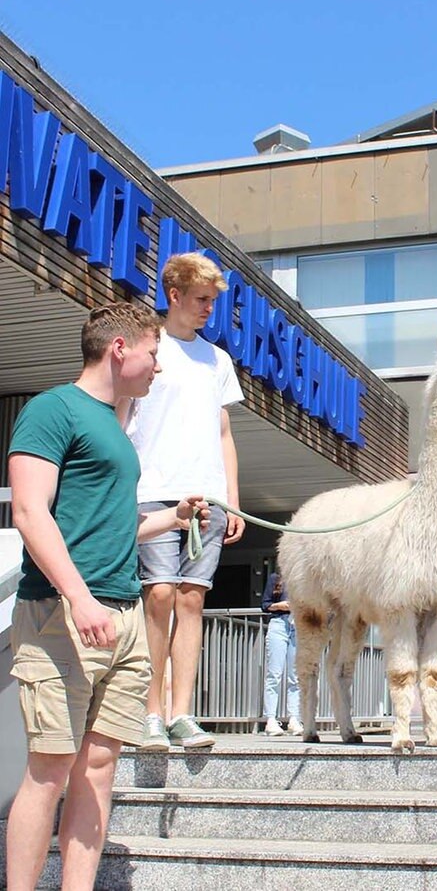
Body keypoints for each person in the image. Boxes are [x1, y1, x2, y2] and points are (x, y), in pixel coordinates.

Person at [5, 303, 210, 891]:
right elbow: (28, 511)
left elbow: (113, 525)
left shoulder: (117, 429)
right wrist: (79, 598)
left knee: (99, 769)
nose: (158, 369)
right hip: (61, 616)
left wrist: (172, 516)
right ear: (120, 348)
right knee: (49, 769)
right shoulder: (52, 410)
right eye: (153, 353)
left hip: (122, 617)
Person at [124, 252, 246, 751]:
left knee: (192, 599)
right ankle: (149, 712)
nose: (207, 310)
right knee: (158, 596)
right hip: (153, 490)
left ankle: (181, 713)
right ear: (173, 295)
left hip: (208, 496)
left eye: (213, 302)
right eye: (201, 300)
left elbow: (223, 430)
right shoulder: (147, 350)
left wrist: (232, 498)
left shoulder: (217, 360)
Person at [261, 572, 302, 736]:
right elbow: (265, 605)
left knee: (296, 676)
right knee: (274, 674)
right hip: (279, 623)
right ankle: (270, 719)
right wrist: (281, 605)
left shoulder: (304, 578)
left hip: (298, 624)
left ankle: (294, 719)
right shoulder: (275, 578)